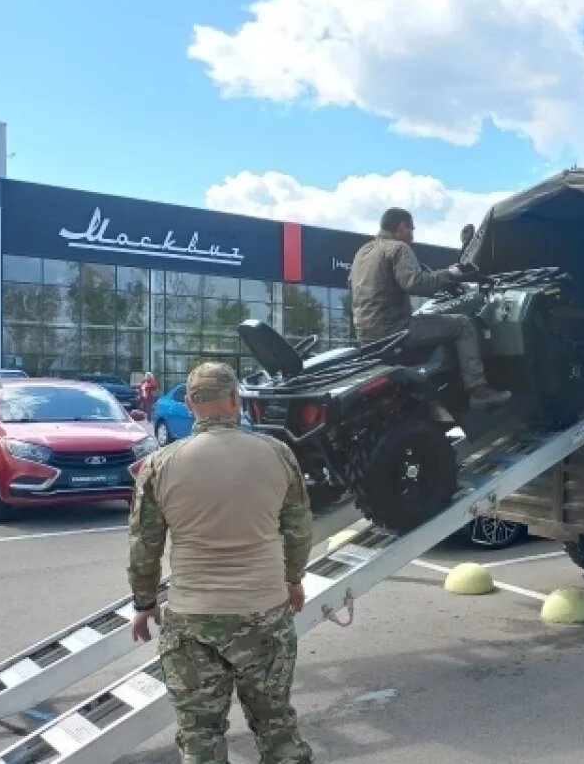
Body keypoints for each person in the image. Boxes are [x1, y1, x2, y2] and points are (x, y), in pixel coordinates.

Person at [127, 361, 315, 764]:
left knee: (201, 738)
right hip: (264, 614)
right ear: (234, 399)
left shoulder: (160, 465)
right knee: (276, 726)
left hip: (192, 621)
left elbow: (144, 545)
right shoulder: (278, 454)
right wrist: (293, 579)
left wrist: (144, 605)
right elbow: (299, 529)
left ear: (192, 403)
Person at [349, 207, 511, 410]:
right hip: (396, 330)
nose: (412, 236)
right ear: (402, 227)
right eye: (411, 230)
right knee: (462, 324)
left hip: (367, 337)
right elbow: (415, 283)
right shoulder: (398, 248)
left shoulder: (362, 253)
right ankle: (478, 391)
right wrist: (450, 274)